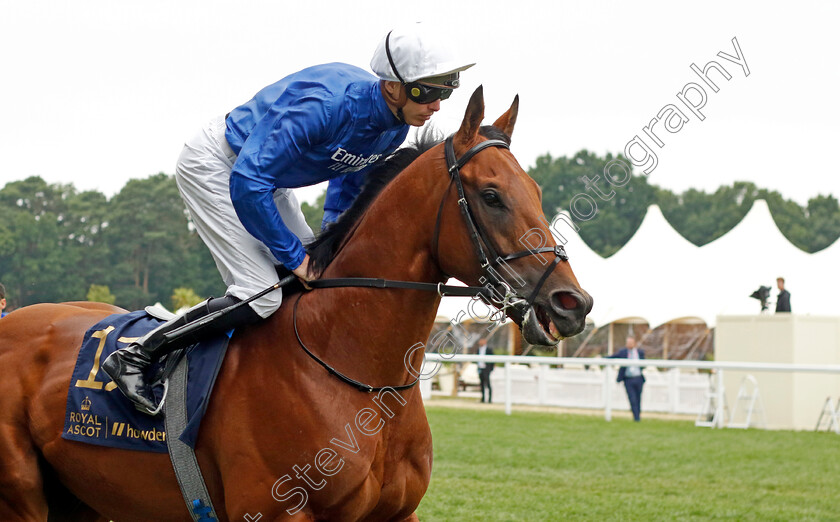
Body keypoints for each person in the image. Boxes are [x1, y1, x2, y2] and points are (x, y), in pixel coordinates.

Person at [102, 23, 474, 414]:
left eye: (445, 91)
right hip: (219, 166)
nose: (436, 105)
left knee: (321, 284)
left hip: (269, 179)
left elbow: (350, 187)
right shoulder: (326, 105)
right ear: (392, 86)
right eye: (427, 91)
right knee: (260, 294)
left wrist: (331, 248)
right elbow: (248, 182)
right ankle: (139, 355)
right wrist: (296, 257)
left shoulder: (395, 128)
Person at [608, 336, 645, 421]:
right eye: (628, 343)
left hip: (638, 379)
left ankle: (637, 415)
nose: (629, 344)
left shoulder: (640, 352)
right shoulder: (623, 352)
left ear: (634, 343)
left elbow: (644, 364)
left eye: (630, 343)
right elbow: (613, 357)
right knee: (632, 398)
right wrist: (601, 359)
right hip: (628, 379)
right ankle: (636, 418)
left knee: (638, 398)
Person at [476, 338, 495, 403]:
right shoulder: (478, 350)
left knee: (488, 384)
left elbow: (493, 360)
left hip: (486, 369)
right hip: (480, 368)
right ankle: (483, 399)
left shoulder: (489, 350)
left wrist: (490, 369)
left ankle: (489, 399)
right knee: (482, 384)